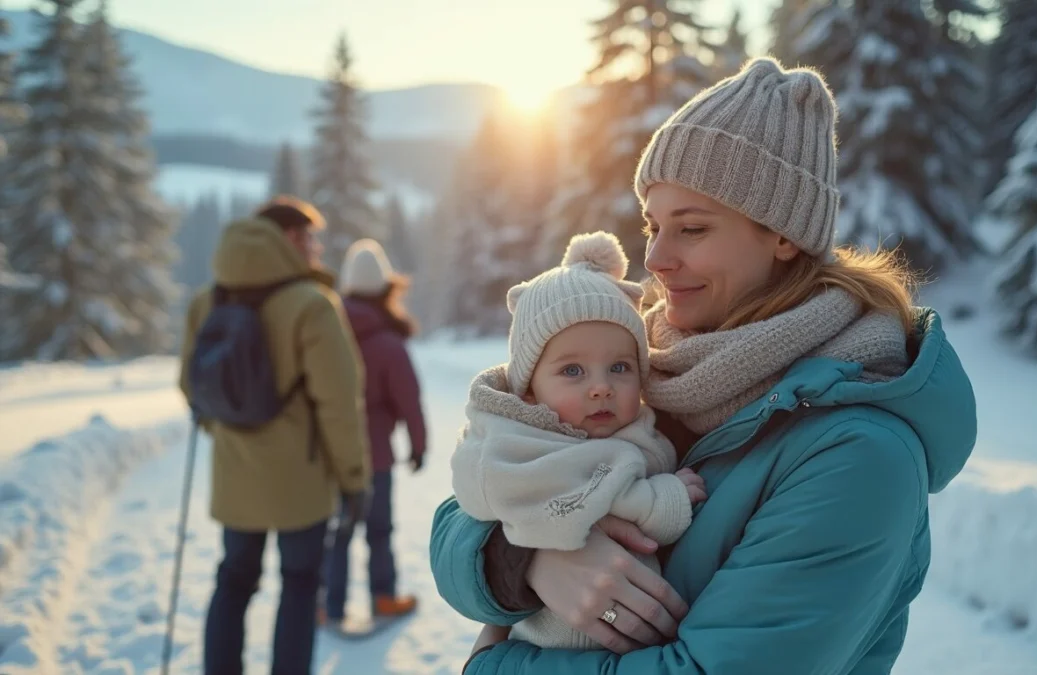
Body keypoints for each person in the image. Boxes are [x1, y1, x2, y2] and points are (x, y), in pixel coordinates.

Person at [429, 57, 978, 674]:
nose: (657, 259)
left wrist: (492, 669)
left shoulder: (858, 452)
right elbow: (472, 498)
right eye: (652, 225)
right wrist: (526, 560)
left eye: (691, 229)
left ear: (782, 235)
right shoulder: (651, 366)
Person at [450, 231, 707, 650]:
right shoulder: (528, 443)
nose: (601, 388)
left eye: (620, 367)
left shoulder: (633, 426)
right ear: (529, 388)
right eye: (573, 371)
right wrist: (667, 497)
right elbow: (612, 498)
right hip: (559, 644)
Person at [179, 196, 371, 675]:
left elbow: (191, 383)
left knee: (234, 581)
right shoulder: (312, 305)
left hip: (234, 476)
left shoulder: (208, 300)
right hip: (300, 484)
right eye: (309, 238)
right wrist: (353, 479)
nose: (316, 248)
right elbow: (340, 405)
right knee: (301, 584)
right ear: (285, 239)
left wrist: (223, 430)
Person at [320, 238, 428, 628]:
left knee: (337, 532)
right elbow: (409, 399)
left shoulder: (326, 328)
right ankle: (383, 599)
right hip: (376, 458)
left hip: (332, 455)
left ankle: (327, 607)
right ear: (385, 285)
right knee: (378, 530)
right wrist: (418, 446)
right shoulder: (387, 341)